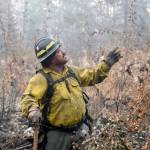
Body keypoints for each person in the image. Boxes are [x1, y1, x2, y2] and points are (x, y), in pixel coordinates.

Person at [20, 37, 121, 150]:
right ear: (51, 58)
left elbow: (93, 76)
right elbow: (28, 98)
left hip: (81, 130)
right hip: (58, 137)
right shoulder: (41, 79)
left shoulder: (72, 71)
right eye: (58, 51)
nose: (63, 52)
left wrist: (107, 64)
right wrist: (32, 110)